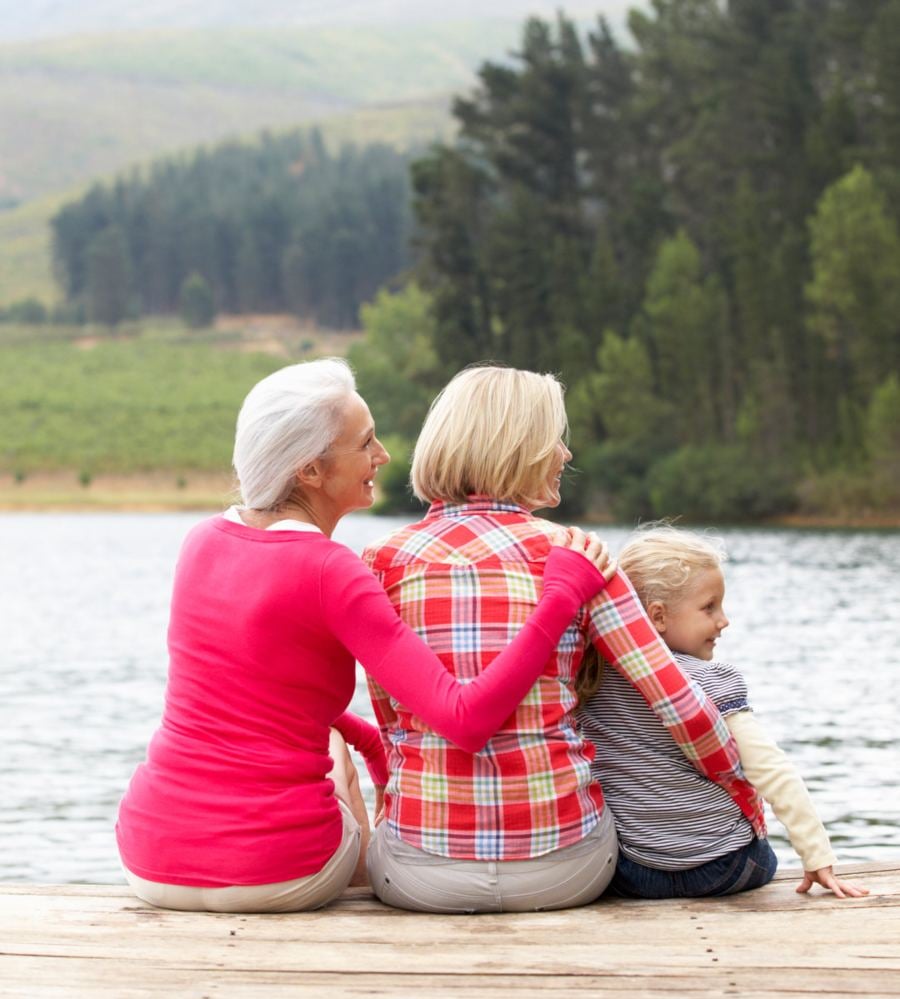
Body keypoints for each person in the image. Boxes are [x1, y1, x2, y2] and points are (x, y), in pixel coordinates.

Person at [115, 358, 614, 913]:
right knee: (328, 746)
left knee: (316, 729)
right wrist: (560, 597)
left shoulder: (200, 542)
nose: (383, 457)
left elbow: (260, 701)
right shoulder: (331, 570)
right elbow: (466, 719)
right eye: (366, 443)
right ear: (311, 471)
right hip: (275, 872)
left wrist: (375, 748)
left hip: (148, 857)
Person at [363, 365, 765, 914]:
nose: (565, 454)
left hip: (420, 875)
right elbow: (682, 707)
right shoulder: (579, 555)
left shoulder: (380, 563)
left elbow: (391, 723)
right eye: (556, 438)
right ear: (519, 446)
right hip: (566, 869)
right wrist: (743, 793)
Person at [578, 525, 869, 899]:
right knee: (762, 853)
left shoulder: (591, 680)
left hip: (636, 871)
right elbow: (771, 770)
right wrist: (817, 856)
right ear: (658, 616)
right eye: (709, 607)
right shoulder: (710, 681)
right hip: (723, 868)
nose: (724, 620)